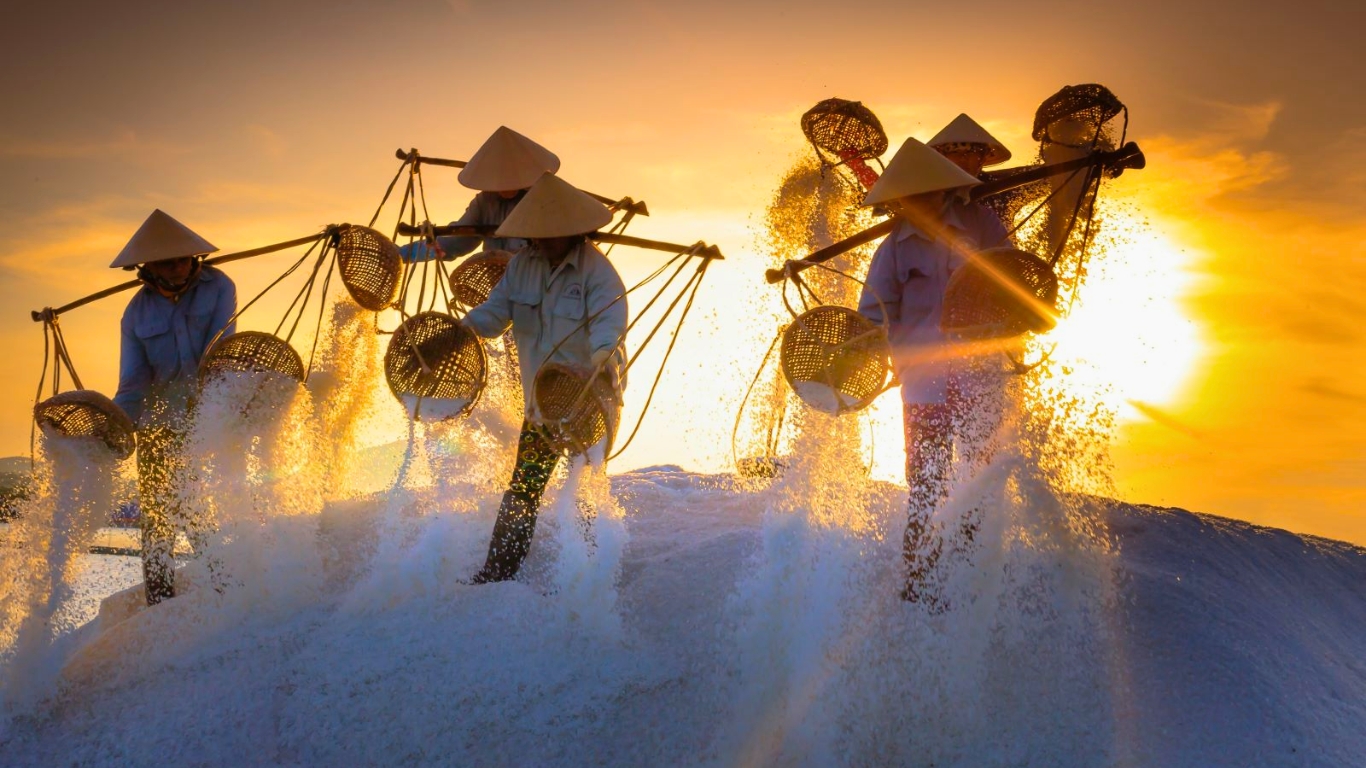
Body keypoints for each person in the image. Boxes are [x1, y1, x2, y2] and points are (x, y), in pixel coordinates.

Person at [856, 139, 1009, 607]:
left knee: (979, 477)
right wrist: (865, 344)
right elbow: (872, 314)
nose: (915, 205)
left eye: (923, 195)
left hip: (981, 374)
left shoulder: (981, 224)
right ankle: (918, 581)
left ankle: (970, 574)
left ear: (943, 192)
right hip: (923, 386)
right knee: (925, 480)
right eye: (907, 198)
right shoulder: (893, 249)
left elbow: (1014, 282)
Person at [459, 173, 628, 583]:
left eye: (553, 235)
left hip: (590, 401)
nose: (544, 242)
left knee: (584, 490)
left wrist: (598, 363)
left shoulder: (598, 274)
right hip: (540, 406)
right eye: (538, 235)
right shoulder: (522, 266)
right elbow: (495, 313)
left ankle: (589, 579)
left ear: (575, 232)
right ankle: (497, 574)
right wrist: (462, 330)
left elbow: (610, 331)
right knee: (522, 490)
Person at [111, 209, 236, 605]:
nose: (180, 266)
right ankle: (160, 604)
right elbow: (132, 383)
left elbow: (220, 353)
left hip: (209, 415)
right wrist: (114, 427)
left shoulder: (219, 287)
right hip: (157, 423)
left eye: (184, 258)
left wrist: (208, 415)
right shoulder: (135, 313)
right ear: (148, 267)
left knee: (198, 508)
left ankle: (227, 593)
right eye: (169, 260)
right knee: (157, 519)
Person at [400, 125, 560, 262]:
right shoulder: (485, 202)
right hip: (499, 288)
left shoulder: (546, 200)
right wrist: (401, 255)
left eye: (509, 177)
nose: (503, 185)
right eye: (498, 179)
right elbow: (455, 241)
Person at [926, 113, 1012, 179]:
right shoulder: (930, 191)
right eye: (955, 152)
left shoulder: (996, 188)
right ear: (943, 157)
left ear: (982, 158)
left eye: (971, 152)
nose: (963, 158)